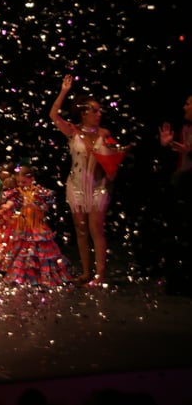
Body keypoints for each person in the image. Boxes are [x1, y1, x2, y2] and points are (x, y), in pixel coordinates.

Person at [49, 74, 117, 285]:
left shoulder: (105, 133)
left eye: (99, 110)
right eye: (94, 110)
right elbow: (53, 114)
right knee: (80, 229)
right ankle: (86, 272)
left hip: (98, 186)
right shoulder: (73, 131)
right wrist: (64, 91)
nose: (99, 114)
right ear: (84, 113)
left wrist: (113, 167)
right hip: (76, 185)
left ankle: (100, 274)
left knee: (96, 227)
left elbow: (114, 157)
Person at [0, 164, 73, 288]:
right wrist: (6, 206)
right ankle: (22, 276)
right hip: (23, 225)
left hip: (37, 225)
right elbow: (13, 201)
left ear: (32, 178)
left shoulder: (40, 192)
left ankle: (41, 276)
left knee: (39, 252)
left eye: (23, 181)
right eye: (18, 182)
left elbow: (45, 207)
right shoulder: (18, 192)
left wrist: (34, 206)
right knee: (23, 251)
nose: (21, 184)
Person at [158, 94, 192, 295]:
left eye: (188, 103)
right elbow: (185, 155)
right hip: (183, 184)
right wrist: (169, 145)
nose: (184, 106)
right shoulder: (186, 128)